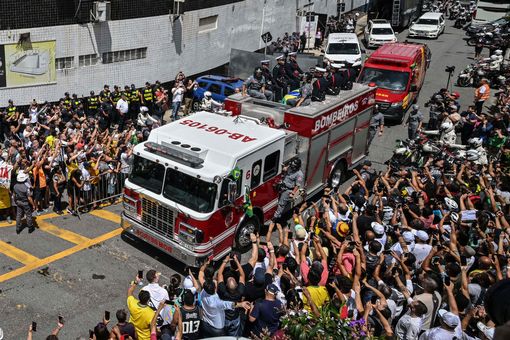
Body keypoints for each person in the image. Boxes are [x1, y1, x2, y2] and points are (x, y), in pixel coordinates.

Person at [127, 273, 155, 340]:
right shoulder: (151, 313)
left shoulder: (133, 303)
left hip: (132, 334)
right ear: (148, 300)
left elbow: (129, 292)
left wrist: (136, 282)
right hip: (144, 338)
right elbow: (153, 328)